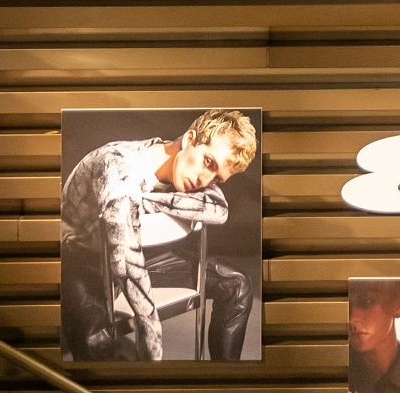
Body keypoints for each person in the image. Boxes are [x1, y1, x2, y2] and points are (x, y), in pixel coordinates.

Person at [59, 109, 260, 361]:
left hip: (142, 255)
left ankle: (227, 386)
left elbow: (219, 209)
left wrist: (149, 201)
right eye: (207, 162)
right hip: (82, 261)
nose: (203, 179)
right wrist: (150, 331)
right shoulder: (118, 165)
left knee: (236, 285)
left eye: (216, 178)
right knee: (95, 340)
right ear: (190, 140)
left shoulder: (188, 173)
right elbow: (124, 259)